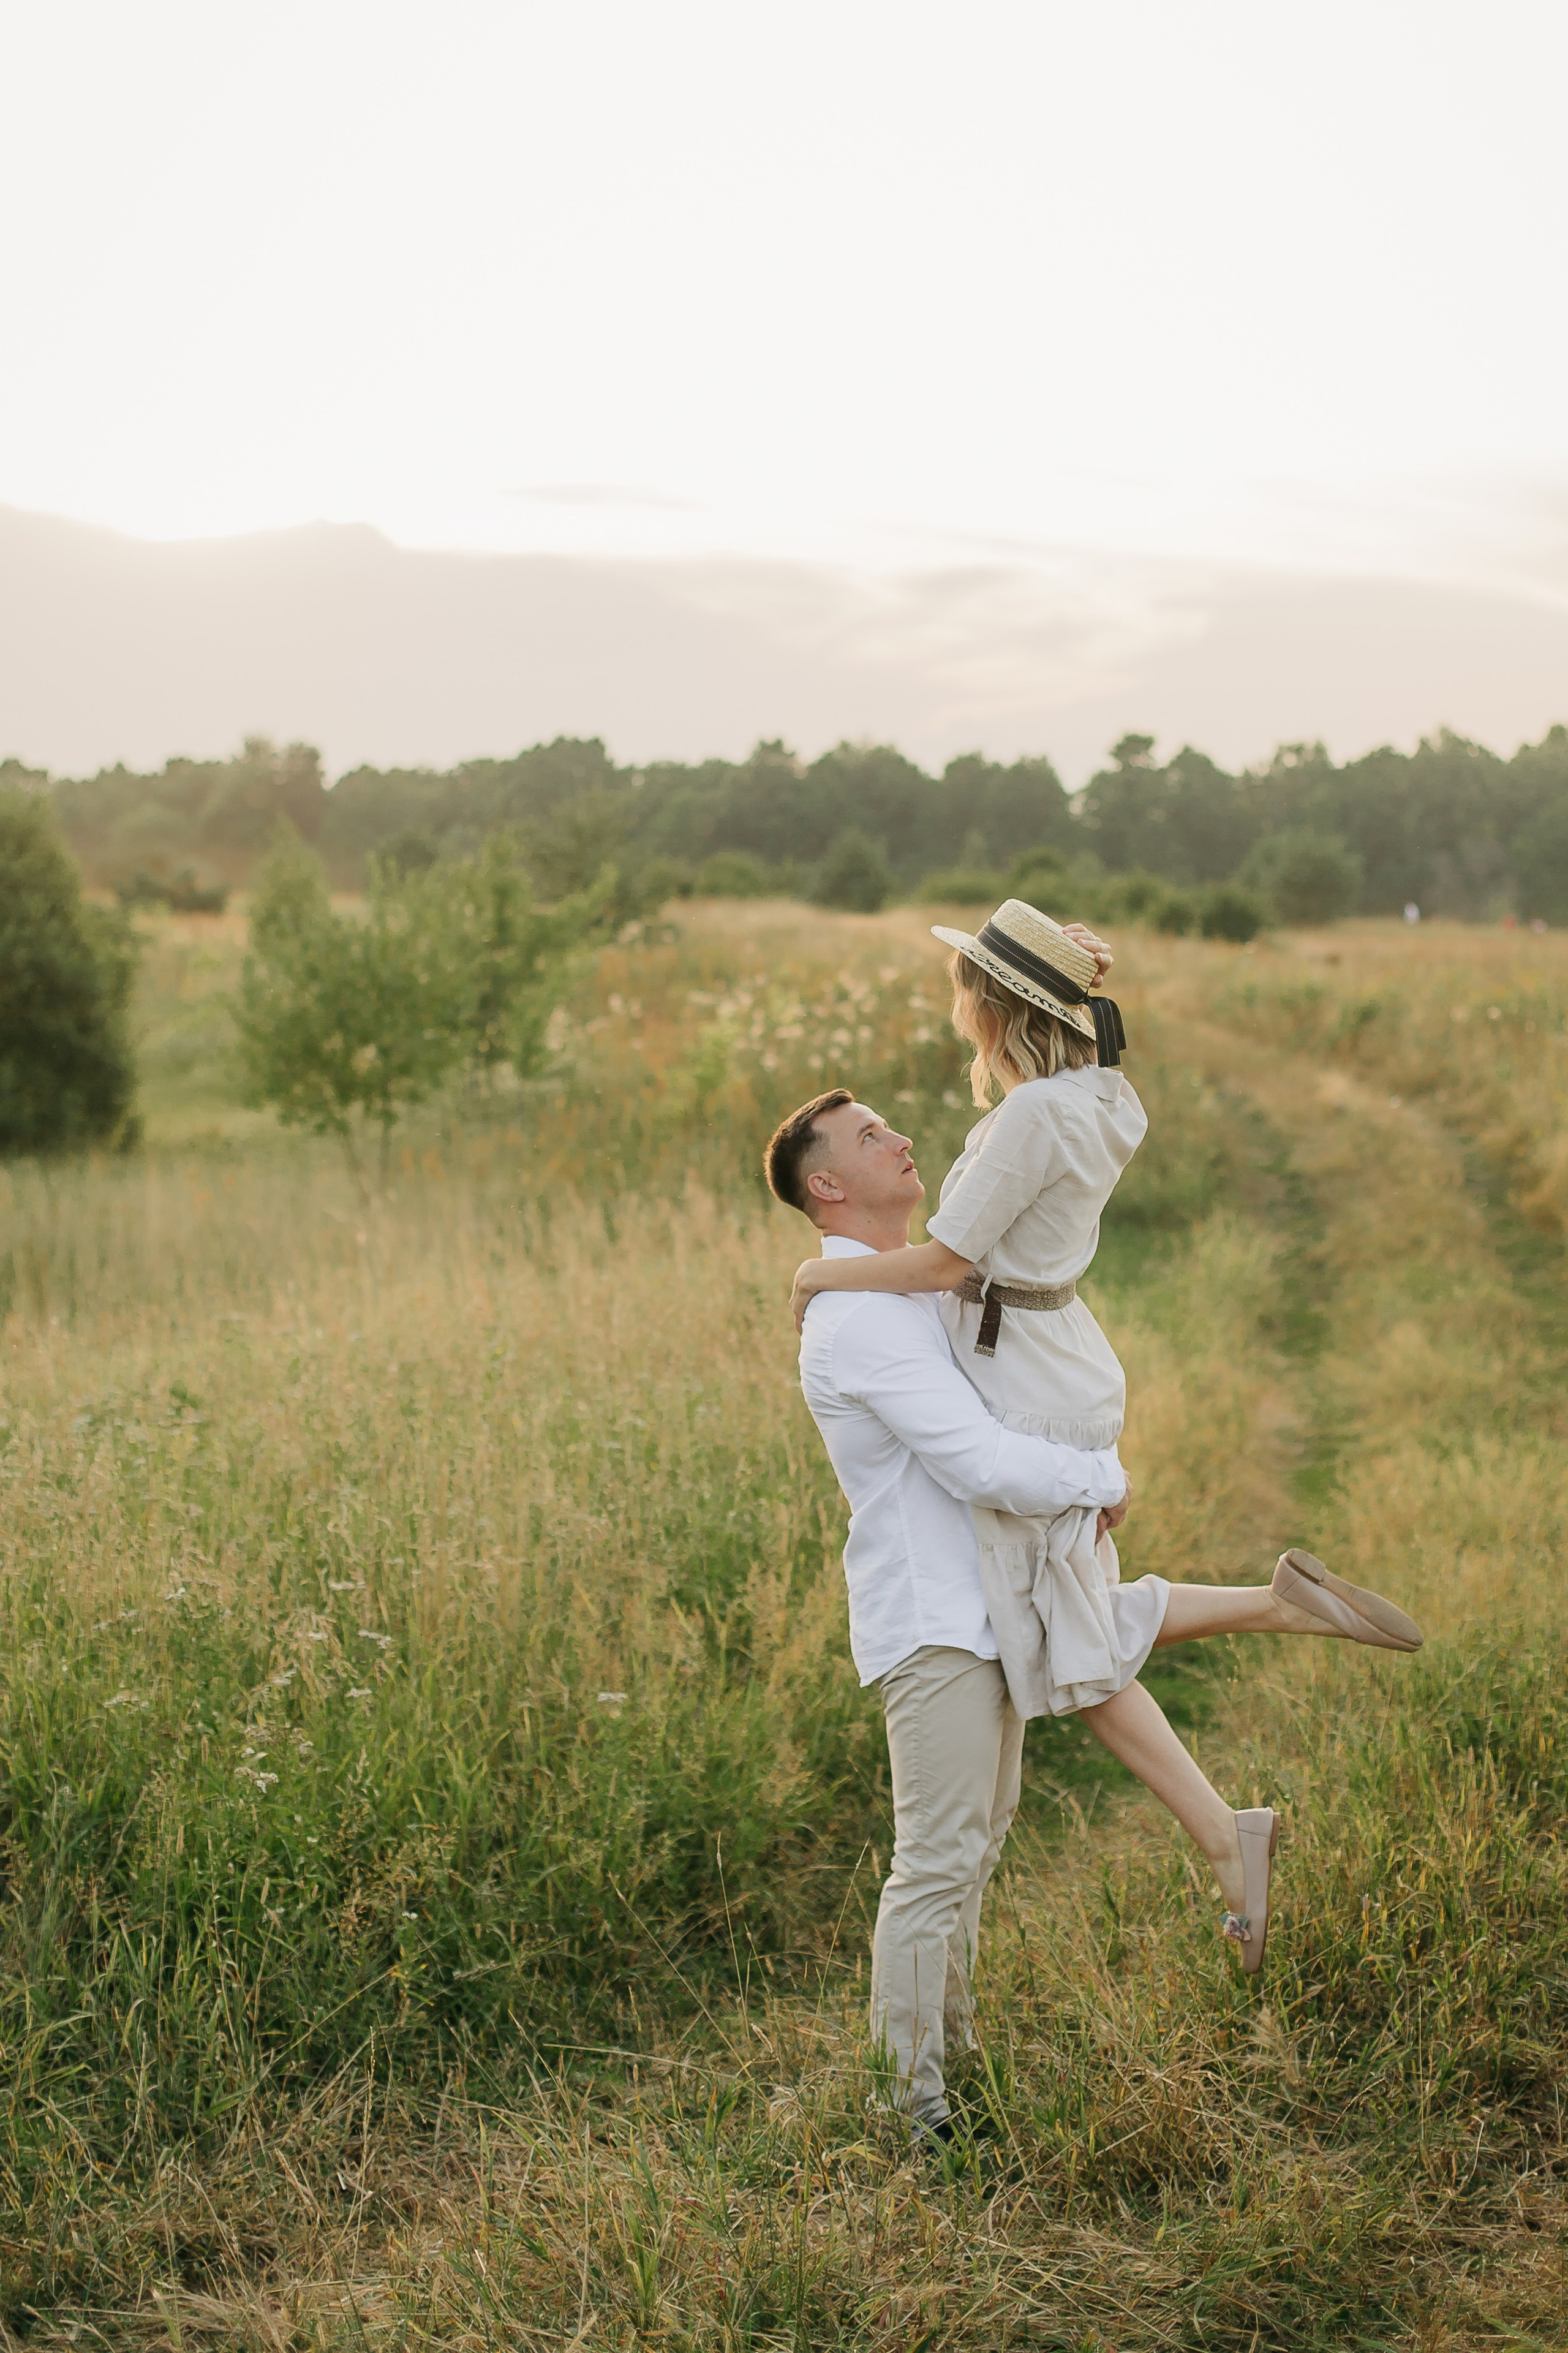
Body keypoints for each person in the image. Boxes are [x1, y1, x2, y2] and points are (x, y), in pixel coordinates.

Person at [785, 899, 1423, 1989]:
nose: (960, 1013)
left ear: (999, 1010)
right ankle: (1270, 1629)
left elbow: (945, 1266)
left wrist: (820, 1271)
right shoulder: (1103, 1095)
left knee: (1068, 1644)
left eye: (969, 996)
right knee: (1069, 1618)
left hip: (1029, 1378)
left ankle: (1228, 1823)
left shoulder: (1027, 1119)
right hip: (1064, 1361)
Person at [763, 1086, 1131, 2137]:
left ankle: (952, 2062)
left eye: (889, 1126)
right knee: (933, 1861)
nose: (901, 1139)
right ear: (827, 1183)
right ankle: (906, 2111)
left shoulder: (911, 1292)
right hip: (933, 1623)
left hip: (983, 1608)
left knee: (974, 1849)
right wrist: (1097, 1478)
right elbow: (976, 1459)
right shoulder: (857, 1320)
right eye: (871, 1136)